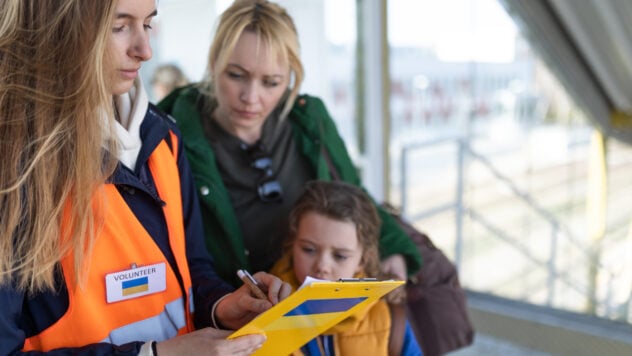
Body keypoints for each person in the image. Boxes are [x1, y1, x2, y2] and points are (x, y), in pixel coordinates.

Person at [0, 1, 290, 355]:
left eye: (148, 25)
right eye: (119, 27)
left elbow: (192, 270)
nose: (145, 51)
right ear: (56, 28)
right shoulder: (16, 162)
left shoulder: (164, 136)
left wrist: (221, 306)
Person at [158, 0, 422, 288]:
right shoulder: (171, 133)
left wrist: (394, 248)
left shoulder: (310, 119)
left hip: (316, 304)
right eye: (236, 75)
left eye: (271, 82)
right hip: (233, 315)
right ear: (213, 64)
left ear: (290, 79)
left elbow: (352, 194)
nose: (251, 97)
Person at [270, 180, 422, 355]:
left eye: (340, 256)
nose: (322, 266)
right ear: (292, 245)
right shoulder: (258, 311)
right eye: (309, 250)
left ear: (363, 259)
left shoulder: (389, 322)